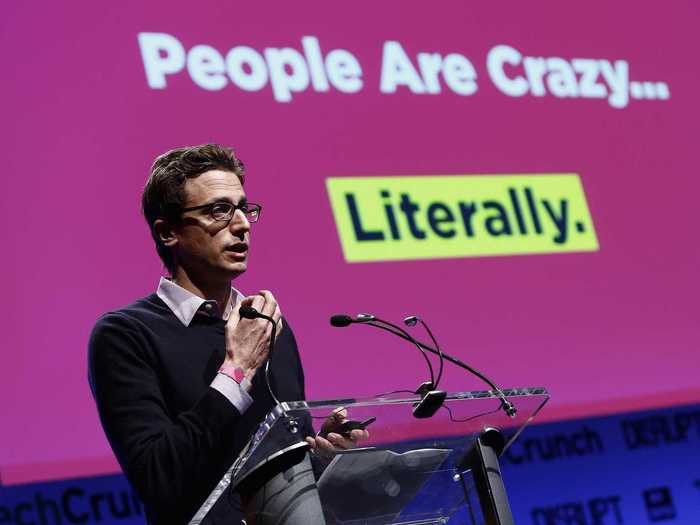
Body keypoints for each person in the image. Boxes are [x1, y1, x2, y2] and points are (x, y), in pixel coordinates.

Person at [88, 144, 366, 525]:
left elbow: (265, 473)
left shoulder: (268, 327)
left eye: (244, 208)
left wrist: (319, 457)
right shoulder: (125, 335)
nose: (242, 224)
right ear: (168, 232)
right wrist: (237, 370)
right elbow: (158, 479)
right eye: (218, 211)